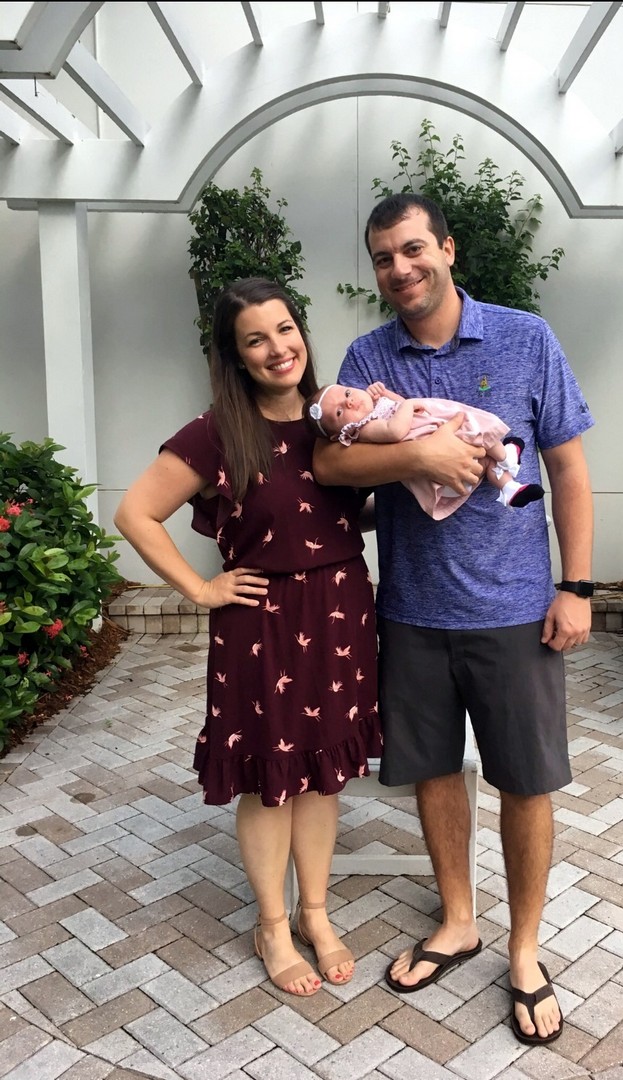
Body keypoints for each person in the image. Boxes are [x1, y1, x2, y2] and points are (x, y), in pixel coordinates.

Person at [313, 194, 594, 1045]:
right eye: (383, 258)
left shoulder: (525, 338)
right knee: (434, 772)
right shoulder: (369, 356)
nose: (399, 269)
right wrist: (418, 453)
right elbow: (330, 462)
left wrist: (577, 587)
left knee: (525, 780)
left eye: (412, 250)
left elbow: (568, 469)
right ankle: (459, 919)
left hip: (515, 611)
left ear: (446, 249)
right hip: (411, 611)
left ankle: (525, 949)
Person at [115, 278, 382, 999]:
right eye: (255, 339)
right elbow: (135, 513)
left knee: (323, 772)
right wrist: (201, 589)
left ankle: (314, 912)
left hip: (340, 613)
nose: (277, 348)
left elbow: (347, 511)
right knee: (271, 780)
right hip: (262, 625)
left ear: (302, 333)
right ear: (235, 356)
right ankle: (271, 925)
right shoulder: (215, 433)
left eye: (285, 329)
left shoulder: (336, 419)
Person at [303, 380, 545, 518]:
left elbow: (396, 405)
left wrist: (385, 394)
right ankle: (506, 457)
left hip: (453, 462)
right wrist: (409, 404)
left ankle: (509, 487)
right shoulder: (364, 429)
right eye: (339, 412)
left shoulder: (376, 408)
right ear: (340, 433)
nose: (349, 401)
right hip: (441, 470)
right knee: (474, 427)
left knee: (483, 456)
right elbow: (395, 430)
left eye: (347, 393)